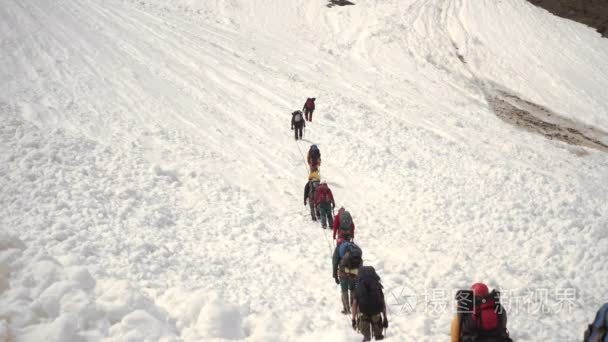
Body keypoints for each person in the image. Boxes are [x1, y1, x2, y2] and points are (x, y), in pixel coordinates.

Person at [351, 266, 388, 341]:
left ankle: (366, 337)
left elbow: (354, 304)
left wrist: (353, 319)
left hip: (363, 311)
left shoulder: (358, 286)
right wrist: (385, 317)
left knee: (365, 336)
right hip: (376, 310)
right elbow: (382, 302)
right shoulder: (377, 285)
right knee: (379, 336)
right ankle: (378, 336)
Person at [332, 241, 362, 315]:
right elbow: (360, 262)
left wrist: (335, 275)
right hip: (355, 270)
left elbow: (335, 262)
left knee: (344, 289)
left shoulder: (338, 248)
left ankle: (346, 309)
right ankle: (353, 307)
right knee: (353, 288)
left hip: (343, 271)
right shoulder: (356, 249)